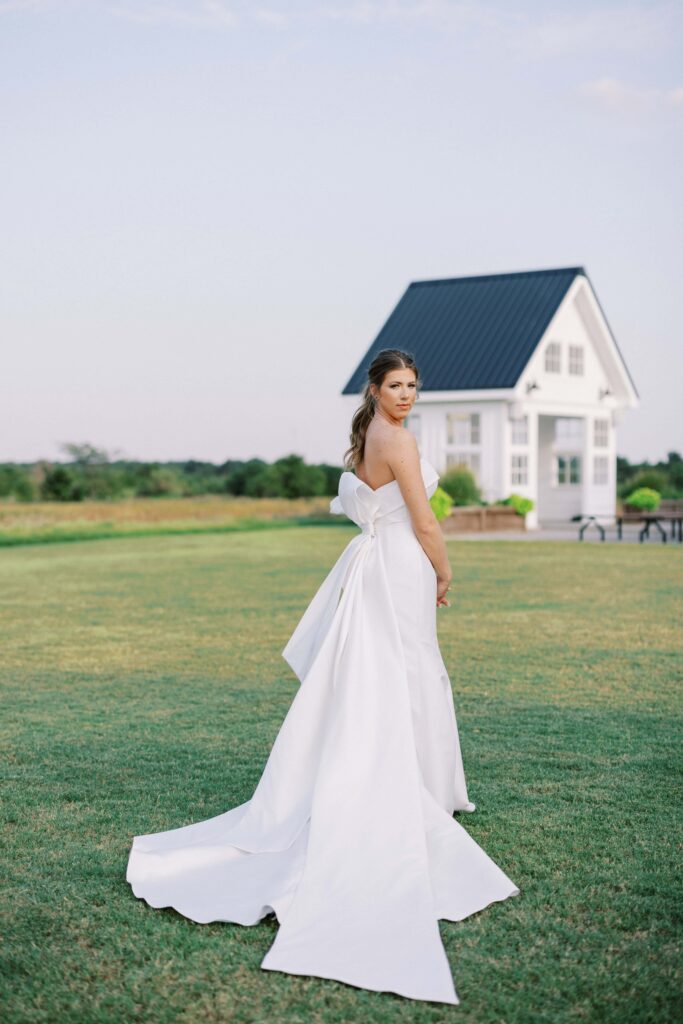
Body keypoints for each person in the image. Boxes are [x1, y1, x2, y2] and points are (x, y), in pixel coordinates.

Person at [126, 348, 519, 1006]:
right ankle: (419, 787)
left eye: (413, 387)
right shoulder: (398, 438)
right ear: (374, 386)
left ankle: (419, 781)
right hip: (398, 561)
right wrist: (445, 569)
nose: (405, 395)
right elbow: (423, 518)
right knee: (410, 668)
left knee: (384, 668)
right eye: (395, 385)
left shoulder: (367, 434)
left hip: (378, 562)